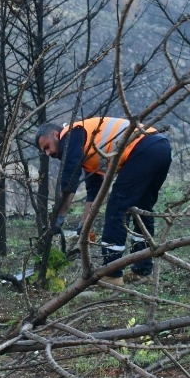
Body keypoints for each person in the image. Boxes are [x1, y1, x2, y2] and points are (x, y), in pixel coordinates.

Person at [37, 116, 172, 286]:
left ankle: (111, 274)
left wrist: (58, 220)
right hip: (160, 147)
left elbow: (69, 181)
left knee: (117, 207)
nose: (48, 154)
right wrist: (83, 227)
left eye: (47, 147)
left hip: (142, 149)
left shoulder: (71, 135)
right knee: (142, 208)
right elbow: (94, 193)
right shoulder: (86, 146)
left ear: (56, 134)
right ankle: (142, 271)